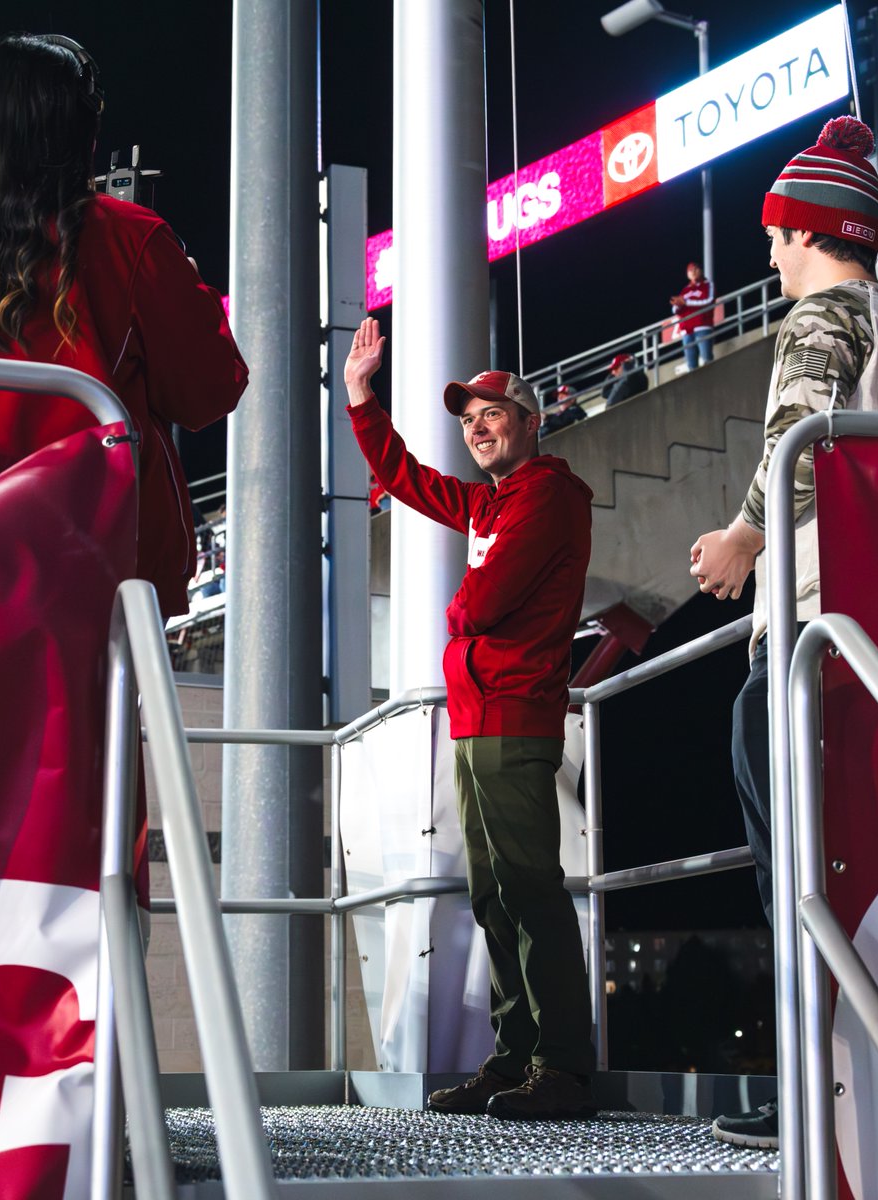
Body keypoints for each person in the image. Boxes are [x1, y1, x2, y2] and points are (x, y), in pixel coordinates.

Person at [689, 116, 878, 1150]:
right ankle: (867, 1091)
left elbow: (802, 435)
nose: (767, 252)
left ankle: (808, 1095)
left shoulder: (827, 314)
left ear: (808, 228)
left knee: (793, 872)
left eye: (774, 233)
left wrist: (743, 535)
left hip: (814, 641)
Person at [344, 317, 596, 1120]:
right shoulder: (494, 503)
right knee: (493, 893)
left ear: (530, 421)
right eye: (467, 419)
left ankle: (563, 1067)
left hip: (513, 714)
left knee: (529, 888)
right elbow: (407, 478)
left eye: (492, 411)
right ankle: (516, 1055)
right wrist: (361, 398)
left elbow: (482, 604)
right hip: (478, 714)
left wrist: (457, 616)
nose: (477, 426)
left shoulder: (546, 495)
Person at [0, 33, 248, 620]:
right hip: (98, 571)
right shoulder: (128, 237)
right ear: (80, 131)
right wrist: (188, 282)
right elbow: (210, 390)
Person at [669, 261, 714, 372]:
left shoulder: (707, 284)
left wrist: (686, 302)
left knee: (707, 360)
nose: (693, 272)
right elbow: (674, 310)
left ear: (700, 270)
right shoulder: (685, 290)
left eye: (695, 269)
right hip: (687, 330)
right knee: (692, 366)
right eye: (690, 270)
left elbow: (709, 301)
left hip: (702, 327)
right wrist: (678, 305)